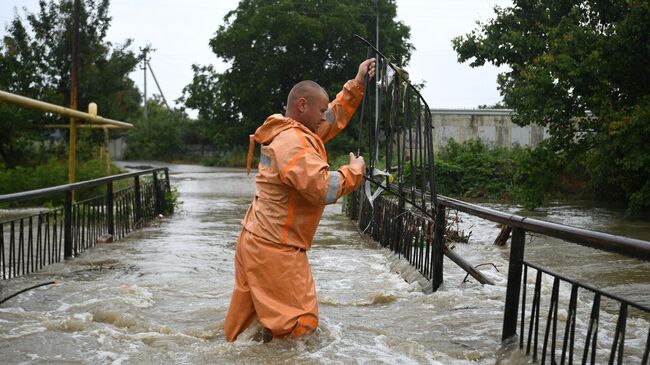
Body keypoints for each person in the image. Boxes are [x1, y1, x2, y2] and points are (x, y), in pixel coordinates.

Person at [224, 58, 376, 342]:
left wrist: (357, 84)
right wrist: (354, 171)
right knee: (300, 326)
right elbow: (321, 187)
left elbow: (333, 117)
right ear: (302, 106)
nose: (324, 117)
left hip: (257, 239)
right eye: (320, 110)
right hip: (276, 247)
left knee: (246, 325)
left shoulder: (291, 131)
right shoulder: (293, 142)